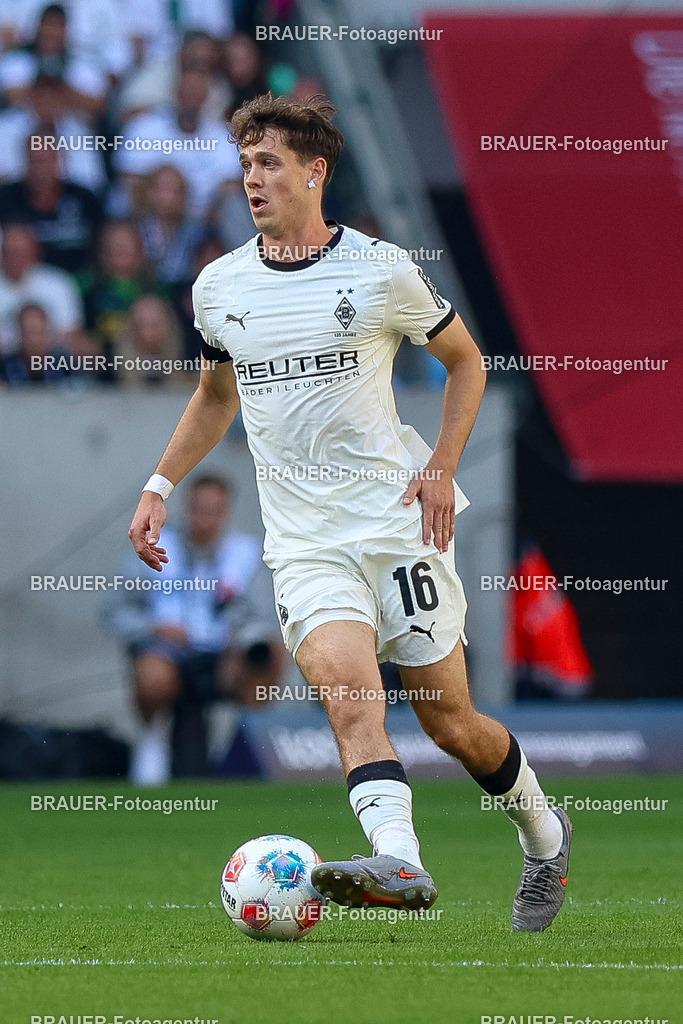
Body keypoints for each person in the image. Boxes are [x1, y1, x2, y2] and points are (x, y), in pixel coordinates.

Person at [128, 93, 572, 932]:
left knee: (450, 723)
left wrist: (440, 467)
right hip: (305, 543)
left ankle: (544, 835)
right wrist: (158, 486)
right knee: (349, 701)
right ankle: (399, 863)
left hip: (396, 526)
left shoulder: (379, 269)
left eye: (268, 164)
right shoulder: (219, 286)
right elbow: (215, 396)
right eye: (245, 164)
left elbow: (467, 363)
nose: (252, 179)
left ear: (314, 170)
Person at [114, 474, 284, 785]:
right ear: (186, 508)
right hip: (168, 652)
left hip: (222, 655)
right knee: (152, 673)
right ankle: (152, 741)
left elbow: (266, 618)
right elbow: (116, 611)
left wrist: (243, 634)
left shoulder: (245, 554)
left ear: (226, 512)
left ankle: (247, 743)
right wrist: (154, 626)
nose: (204, 520)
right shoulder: (153, 545)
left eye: (213, 511)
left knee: (270, 654)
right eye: (198, 510)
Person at [0, 131, 103, 275]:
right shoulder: (6, 198)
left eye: (45, 160)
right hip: (24, 280)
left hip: (81, 279)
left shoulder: (84, 198)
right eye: (34, 161)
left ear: (60, 159)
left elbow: (100, 244)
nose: (40, 169)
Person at [0, 222, 86, 356]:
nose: (15, 259)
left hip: (53, 362)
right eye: (9, 253)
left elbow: (72, 334)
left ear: (35, 252)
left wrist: (35, 343)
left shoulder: (58, 283)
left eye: (22, 253)